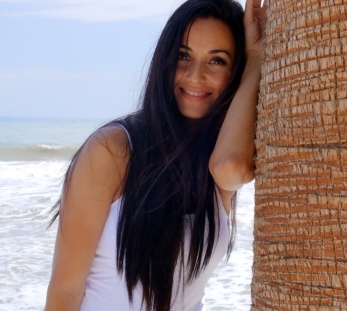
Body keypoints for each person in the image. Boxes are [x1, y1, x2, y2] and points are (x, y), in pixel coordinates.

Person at [45, 0, 265, 310]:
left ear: (234, 71)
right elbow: (65, 293)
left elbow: (232, 167)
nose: (195, 75)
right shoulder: (113, 150)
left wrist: (255, 58)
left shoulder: (217, 157)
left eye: (217, 61)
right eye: (183, 56)